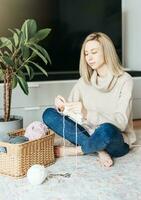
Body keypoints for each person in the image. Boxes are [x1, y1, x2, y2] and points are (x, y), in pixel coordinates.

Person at [42, 32, 136, 167]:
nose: (89, 58)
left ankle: (77, 150)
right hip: (88, 133)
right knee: (49, 114)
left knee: (105, 130)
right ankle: (99, 150)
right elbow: (69, 115)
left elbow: (121, 123)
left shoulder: (125, 80)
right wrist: (62, 106)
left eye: (94, 52)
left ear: (106, 52)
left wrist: (86, 113)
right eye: (86, 54)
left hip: (115, 138)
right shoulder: (84, 81)